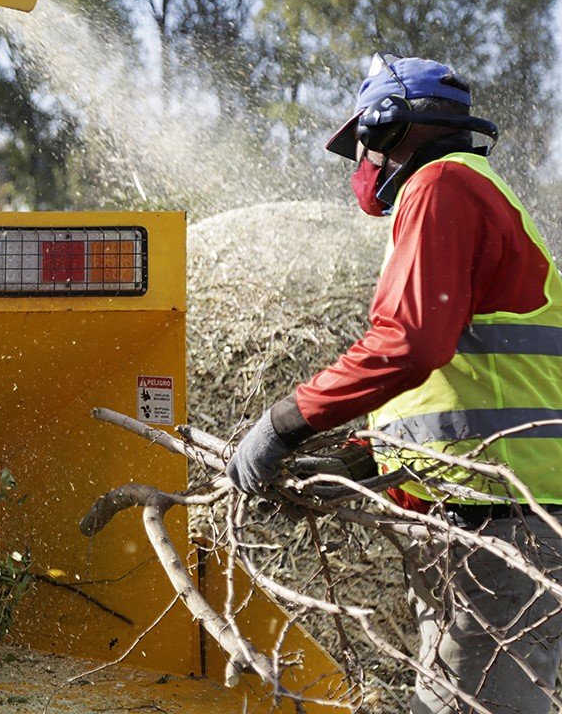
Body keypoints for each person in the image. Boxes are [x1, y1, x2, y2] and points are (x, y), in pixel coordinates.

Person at [225, 54, 562, 713]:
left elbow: (410, 344)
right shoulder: (468, 189)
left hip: (492, 519)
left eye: (362, 145)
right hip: (492, 509)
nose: (362, 164)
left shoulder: (441, 187)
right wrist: (365, 457)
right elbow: (469, 383)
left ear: (387, 127)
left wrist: (283, 423)